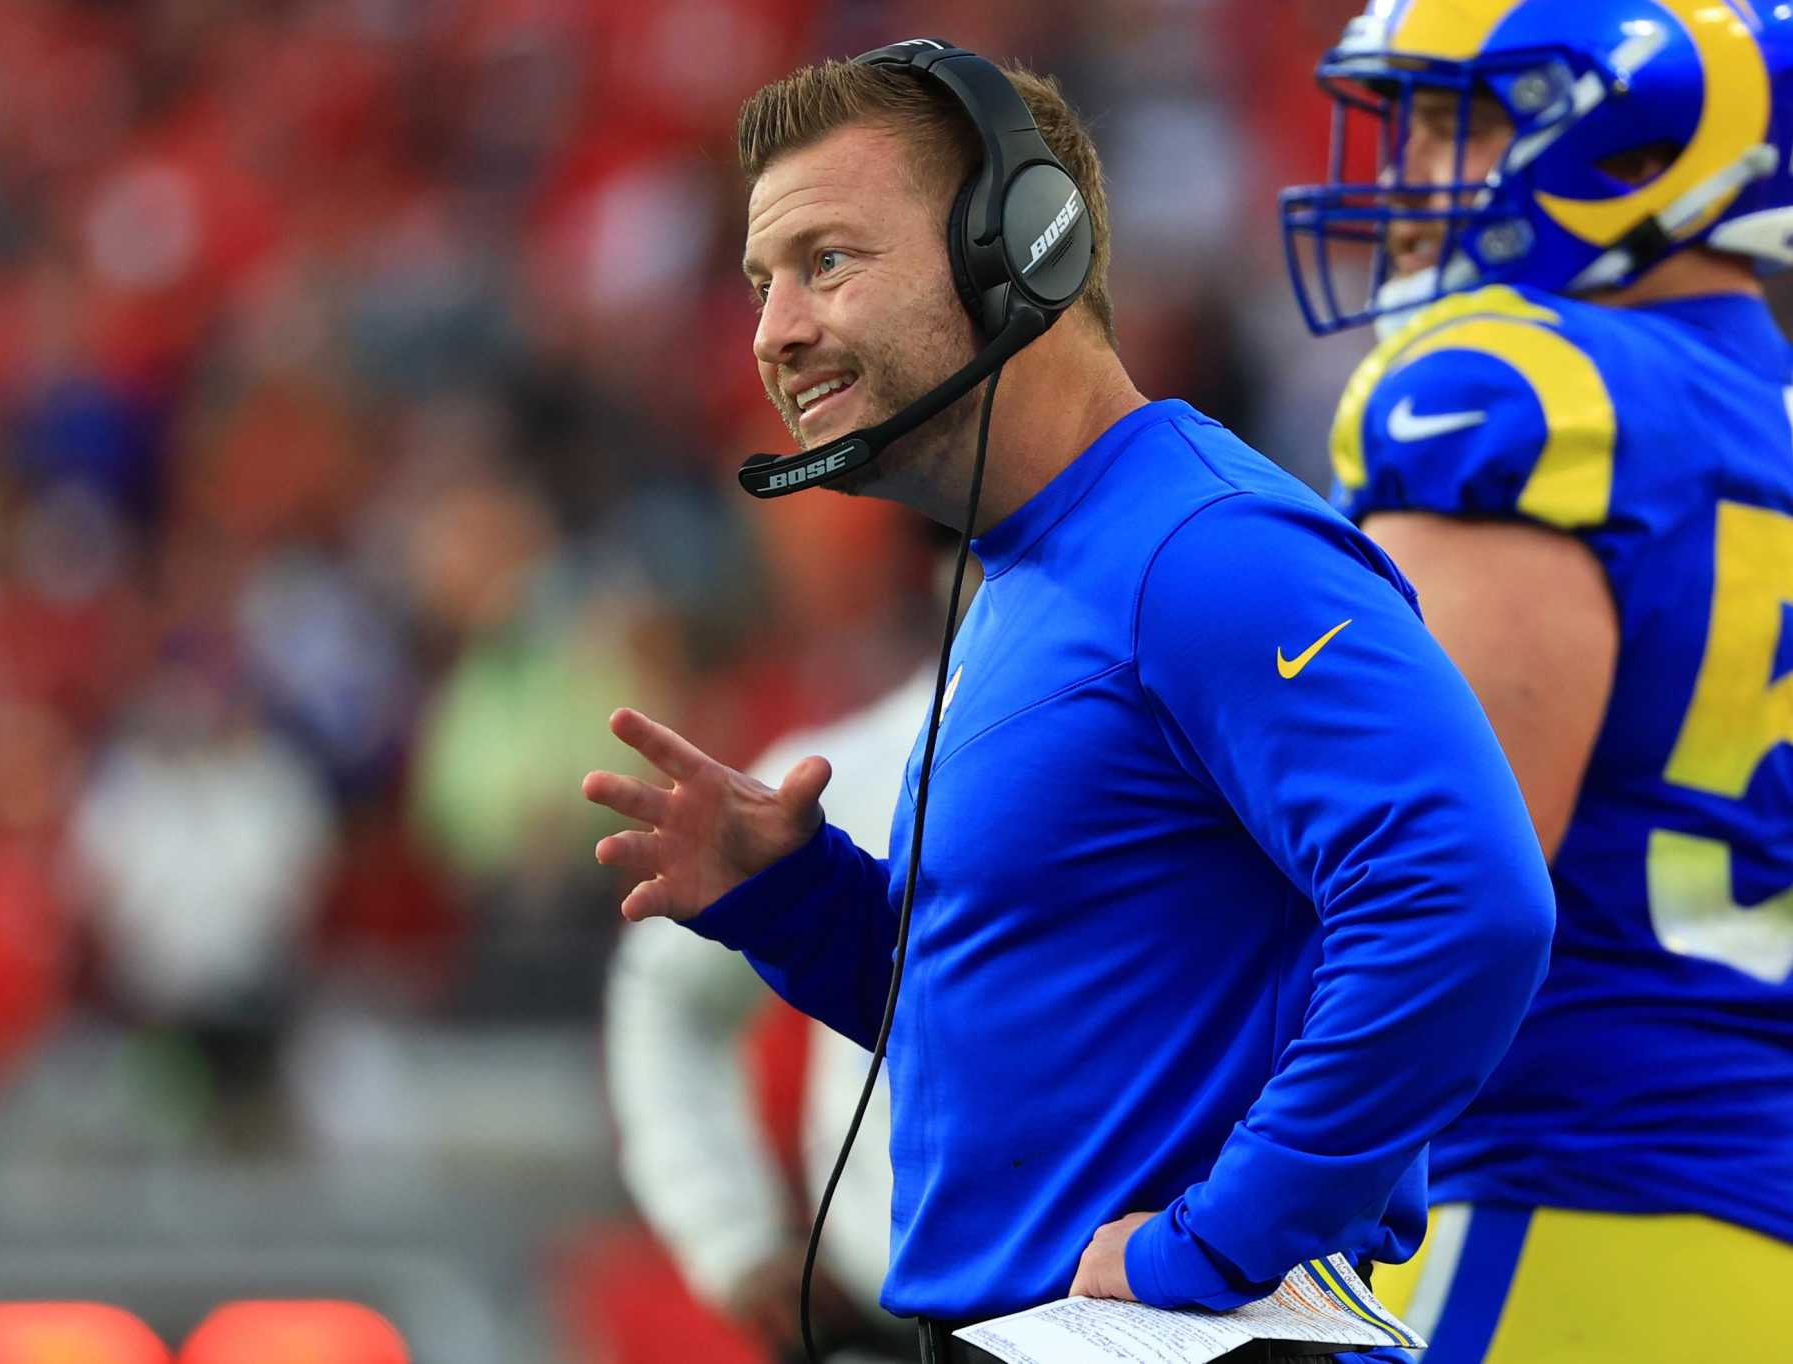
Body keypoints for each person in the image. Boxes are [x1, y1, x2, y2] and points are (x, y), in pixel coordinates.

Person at [582, 42, 1555, 1364]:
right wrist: (801, 906)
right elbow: (1053, 1030)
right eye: (760, 283)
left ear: (1017, 248)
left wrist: (1220, 1237)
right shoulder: (1034, 579)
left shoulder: (1206, 546)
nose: (773, 333)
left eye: (828, 261)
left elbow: (1467, 903)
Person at [1280, 3, 1793, 1359]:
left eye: (1458, 120)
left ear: (1641, 143)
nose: (1403, 180)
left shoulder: (1527, 387)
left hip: (1550, 1215)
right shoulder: (1764, 421)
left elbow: (1419, 888)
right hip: (1739, 1237)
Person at [607, 664, 931, 1364]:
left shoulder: (1180, 719)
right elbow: (665, 995)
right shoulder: (861, 763)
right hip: (876, 1329)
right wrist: (727, 1231)